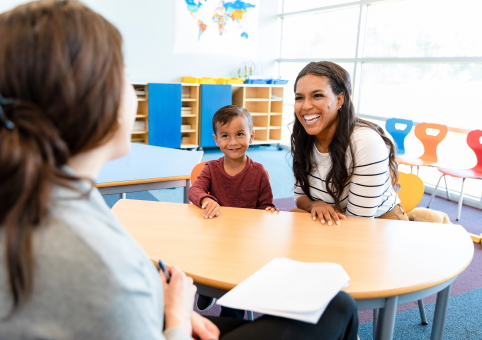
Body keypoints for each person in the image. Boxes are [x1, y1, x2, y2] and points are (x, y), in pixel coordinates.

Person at [0, 2, 358, 339]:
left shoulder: (49, 191)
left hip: (162, 315)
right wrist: (174, 314)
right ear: (91, 102)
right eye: (123, 76)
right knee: (337, 308)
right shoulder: (93, 265)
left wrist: (172, 307)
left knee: (335, 305)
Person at [188, 105, 278, 319]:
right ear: (216, 140)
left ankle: (231, 313)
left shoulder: (259, 173)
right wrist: (207, 199)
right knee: (202, 261)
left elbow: (267, 205)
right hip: (215, 237)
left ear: (251, 136)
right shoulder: (210, 168)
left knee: (235, 289)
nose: (233, 142)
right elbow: (195, 190)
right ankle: (206, 289)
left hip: (245, 242)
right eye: (225, 136)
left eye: (240, 134)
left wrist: (269, 211)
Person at [291, 61, 408, 225]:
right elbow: (300, 195)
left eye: (317, 95)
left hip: (378, 223)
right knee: (292, 217)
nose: (306, 105)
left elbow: (358, 222)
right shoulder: (303, 137)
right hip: (336, 219)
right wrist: (314, 204)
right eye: (299, 98)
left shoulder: (365, 142)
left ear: (340, 99)